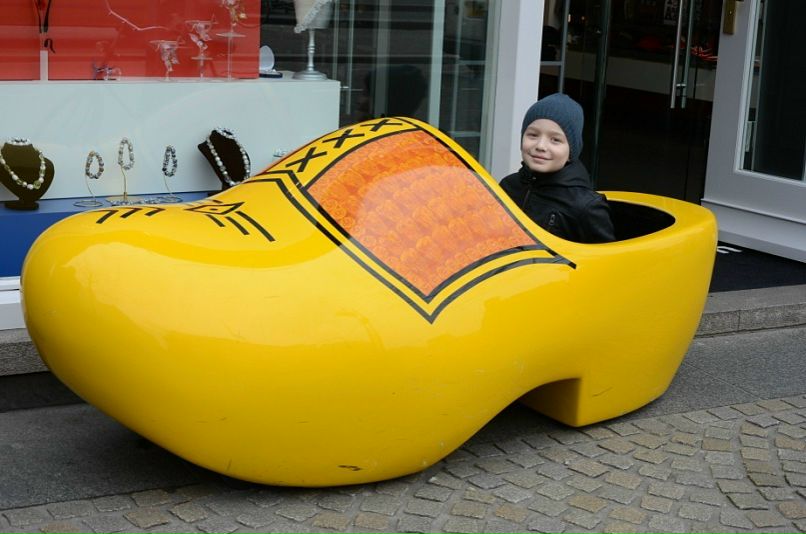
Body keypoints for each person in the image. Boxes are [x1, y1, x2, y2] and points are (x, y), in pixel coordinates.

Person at [500, 93, 615, 243]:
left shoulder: (585, 206)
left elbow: (604, 256)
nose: (541, 146)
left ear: (571, 151)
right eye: (533, 135)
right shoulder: (507, 186)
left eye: (555, 140)